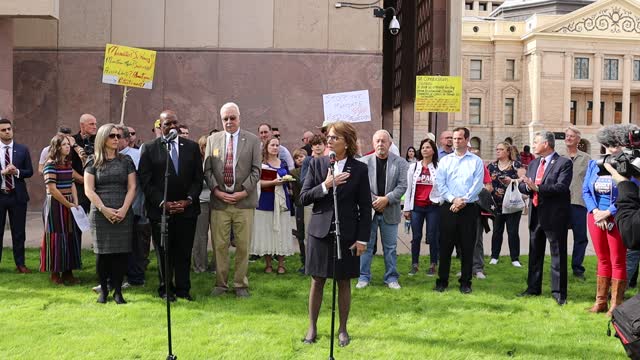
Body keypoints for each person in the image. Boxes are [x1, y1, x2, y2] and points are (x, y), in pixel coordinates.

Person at [300, 121, 371, 346]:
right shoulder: (317, 164)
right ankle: (312, 327)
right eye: (328, 137)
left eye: (334, 138)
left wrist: (362, 239)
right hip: (319, 231)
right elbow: (303, 197)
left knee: (343, 282)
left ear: (346, 143)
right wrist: (326, 185)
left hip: (347, 233)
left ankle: (342, 329)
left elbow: (365, 206)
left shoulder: (359, 169)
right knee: (317, 280)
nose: (329, 141)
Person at [139, 110, 203, 302]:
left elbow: (198, 179)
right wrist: (162, 202)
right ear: (160, 126)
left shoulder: (191, 147)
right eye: (168, 124)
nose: (173, 126)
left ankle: (183, 289)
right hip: (161, 212)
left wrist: (188, 199)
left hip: (187, 210)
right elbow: (145, 180)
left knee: (184, 252)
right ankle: (166, 289)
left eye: (175, 123)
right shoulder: (150, 148)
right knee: (163, 252)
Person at [204, 102, 261, 298]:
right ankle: (220, 284)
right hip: (220, 203)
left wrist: (243, 192)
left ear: (239, 117)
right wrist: (217, 191)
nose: (229, 122)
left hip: (243, 203)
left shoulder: (253, 140)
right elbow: (208, 170)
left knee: (243, 246)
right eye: (225, 119)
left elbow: (256, 171)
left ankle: (240, 285)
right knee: (219, 245)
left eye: (232, 118)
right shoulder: (213, 140)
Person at [518, 131, 572, 306]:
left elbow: (561, 187)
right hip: (535, 214)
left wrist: (538, 188)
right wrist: (525, 186)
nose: (533, 145)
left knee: (557, 255)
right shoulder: (533, 163)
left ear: (546, 144)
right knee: (534, 252)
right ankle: (533, 288)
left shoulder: (564, 163)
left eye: (536, 142)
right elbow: (525, 185)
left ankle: (559, 293)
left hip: (554, 216)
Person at [84, 124, 137, 304]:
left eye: (118, 136)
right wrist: (104, 210)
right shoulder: (92, 162)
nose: (116, 139)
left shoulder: (126, 161)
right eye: (112, 136)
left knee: (121, 254)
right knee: (102, 254)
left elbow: (132, 187)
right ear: (102, 138)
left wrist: (123, 209)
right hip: (100, 213)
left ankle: (118, 291)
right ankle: (104, 291)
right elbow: (89, 190)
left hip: (123, 211)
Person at [583, 125, 630, 315]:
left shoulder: (629, 166)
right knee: (602, 259)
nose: (614, 147)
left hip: (617, 217)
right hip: (595, 217)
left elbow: (630, 193)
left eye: (617, 144)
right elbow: (586, 190)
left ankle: (615, 305)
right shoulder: (594, 165)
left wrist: (608, 212)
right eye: (610, 144)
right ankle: (600, 302)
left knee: (617, 260)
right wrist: (595, 211)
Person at [434, 127, 484, 294]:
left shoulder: (476, 161)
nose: (455, 141)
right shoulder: (445, 161)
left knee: (467, 247)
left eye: (459, 138)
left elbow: (477, 185)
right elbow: (440, 184)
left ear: (466, 140)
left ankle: (465, 283)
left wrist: (463, 200)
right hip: (448, 206)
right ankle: (442, 281)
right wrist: (453, 199)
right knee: (445, 246)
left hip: (468, 208)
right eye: (454, 139)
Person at [356, 130, 408, 289]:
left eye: (383, 141)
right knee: (366, 246)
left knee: (391, 247)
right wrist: (375, 200)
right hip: (368, 211)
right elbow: (360, 186)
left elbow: (402, 186)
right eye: (377, 141)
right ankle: (363, 277)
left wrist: (386, 199)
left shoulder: (400, 163)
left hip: (390, 211)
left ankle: (391, 278)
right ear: (373, 144)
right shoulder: (363, 162)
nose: (380, 144)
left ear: (390, 144)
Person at [251, 136, 296, 273]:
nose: (275, 148)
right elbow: (256, 182)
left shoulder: (283, 163)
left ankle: (281, 264)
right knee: (266, 232)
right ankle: (268, 264)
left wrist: (286, 181)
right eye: (272, 145)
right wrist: (272, 183)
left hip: (281, 201)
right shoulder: (260, 164)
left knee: (281, 231)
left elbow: (288, 179)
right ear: (266, 147)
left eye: (277, 145)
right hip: (265, 201)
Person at [40, 134, 81, 284]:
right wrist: (67, 203)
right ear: (57, 147)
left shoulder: (68, 164)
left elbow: (71, 183)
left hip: (69, 202)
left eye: (68, 144)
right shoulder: (50, 164)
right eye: (64, 144)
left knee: (70, 235)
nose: (67, 147)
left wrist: (75, 201)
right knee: (56, 236)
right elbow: (52, 189)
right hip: (56, 205)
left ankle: (68, 272)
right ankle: (55, 273)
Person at [0, 118, 34, 273]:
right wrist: (3, 172)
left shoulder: (22, 149)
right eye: (3, 130)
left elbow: (30, 171)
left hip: (17, 196)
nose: (7, 132)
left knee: (19, 232)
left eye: (9, 129)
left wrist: (17, 172)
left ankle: (20, 264)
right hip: (1, 195)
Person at [403, 138, 440, 276]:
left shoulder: (438, 167)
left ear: (433, 151)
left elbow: (442, 187)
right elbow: (408, 188)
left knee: (432, 236)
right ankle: (414, 264)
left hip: (433, 207)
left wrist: (440, 201)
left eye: (428, 147)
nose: (425, 149)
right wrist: (406, 208)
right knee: (416, 236)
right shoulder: (413, 167)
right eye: (423, 147)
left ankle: (433, 264)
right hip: (417, 207)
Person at [561, 126, 591, 281]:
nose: (568, 138)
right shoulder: (559, 157)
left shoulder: (586, 159)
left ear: (578, 139)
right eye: (567, 136)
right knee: (560, 237)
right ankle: (559, 267)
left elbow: (591, 181)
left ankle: (578, 269)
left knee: (580, 237)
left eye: (572, 136)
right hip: (560, 203)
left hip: (578, 203)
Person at [487, 141, 523, 267]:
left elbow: (523, 179)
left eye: (501, 149)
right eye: (497, 149)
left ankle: (515, 258)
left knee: (512, 231)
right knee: (497, 231)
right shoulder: (491, 166)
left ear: (508, 152)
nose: (498, 151)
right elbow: (486, 181)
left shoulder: (516, 165)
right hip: (496, 205)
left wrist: (512, 181)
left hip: (512, 204)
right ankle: (494, 256)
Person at [192, 135, 214, 273]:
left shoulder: (218, 162)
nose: (208, 149)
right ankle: (200, 266)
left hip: (218, 202)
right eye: (206, 146)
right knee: (200, 236)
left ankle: (216, 267)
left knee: (219, 236)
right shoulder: (196, 163)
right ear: (201, 148)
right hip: (201, 202)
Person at [72, 114, 97, 213]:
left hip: (97, 188)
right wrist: (85, 180)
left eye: (95, 124)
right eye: (91, 124)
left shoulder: (99, 140)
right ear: (82, 125)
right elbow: (66, 165)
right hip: (78, 188)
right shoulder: (71, 141)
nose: (95, 126)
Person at [291, 148, 308, 273]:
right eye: (297, 158)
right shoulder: (293, 173)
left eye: (302, 156)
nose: (300, 159)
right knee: (301, 235)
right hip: (299, 205)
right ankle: (304, 262)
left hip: (312, 205)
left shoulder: (312, 170)